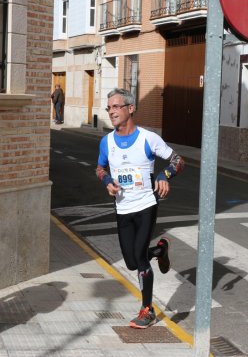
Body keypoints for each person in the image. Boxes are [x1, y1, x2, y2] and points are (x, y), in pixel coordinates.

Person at [95, 88, 185, 328]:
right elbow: (100, 168)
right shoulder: (107, 141)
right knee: (132, 262)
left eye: (116, 107)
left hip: (146, 204)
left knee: (140, 262)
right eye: (109, 108)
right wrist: (107, 182)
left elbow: (178, 160)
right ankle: (160, 251)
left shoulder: (148, 138)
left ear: (130, 109)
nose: (112, 111)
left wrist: (165, 175)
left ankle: (148, 310)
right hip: (122, 208)